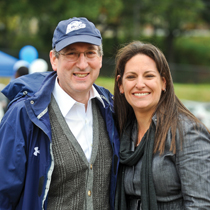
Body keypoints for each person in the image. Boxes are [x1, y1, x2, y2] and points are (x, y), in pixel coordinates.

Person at [0, 17, 120, 210]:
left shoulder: (112, 110)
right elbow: (3, 194)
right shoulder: (23, 115)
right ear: (54, 60)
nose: (82, 64)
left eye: (90, 53)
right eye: (71, 54)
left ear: (99, 59)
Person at [114, 41, 210, 210]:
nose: (140, 84)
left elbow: (200, 205)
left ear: (164, 82)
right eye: (131, 77)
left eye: (149, 76)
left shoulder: (188, 132)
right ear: (121, 85)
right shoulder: (122, 132)